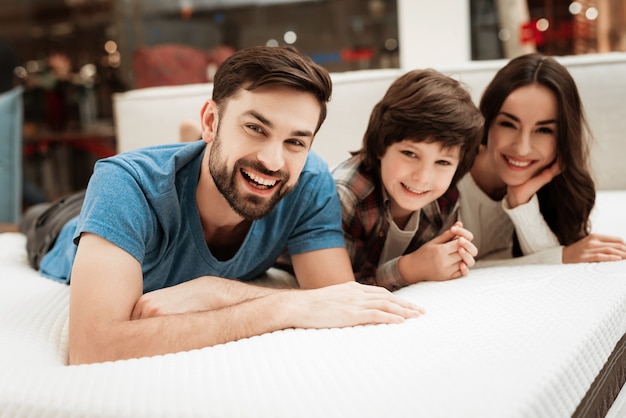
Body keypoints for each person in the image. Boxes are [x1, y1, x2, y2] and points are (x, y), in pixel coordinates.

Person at [21, 46, 423, 365]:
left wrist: (211, 293)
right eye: (255, 128)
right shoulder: (123, 184)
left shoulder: (308, 181)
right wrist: (271, 304)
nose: (273, 160)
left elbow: (335, 298)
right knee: (38, 217)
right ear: (211, 121)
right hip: (62, 226)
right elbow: (94, 348)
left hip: (181, 178)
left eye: (295, 141)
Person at [458, 53, 626, 265]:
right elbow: (446, 271)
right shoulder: (445, 172)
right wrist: (559, 257)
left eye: (544, 130)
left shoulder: (557, 189)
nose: (522, 147)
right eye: (508, 124)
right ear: (488, 122)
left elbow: (547, 275)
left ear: (563, 137)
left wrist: (521, 202)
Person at [331, 69, 484, 291]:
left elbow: (435, 270)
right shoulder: (346, 193)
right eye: (410, 154)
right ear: (382, 146)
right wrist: (408, 269)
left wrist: (452, 259)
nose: (422, 177)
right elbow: (335, 287)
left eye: (442, 163)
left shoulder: (445, 199)